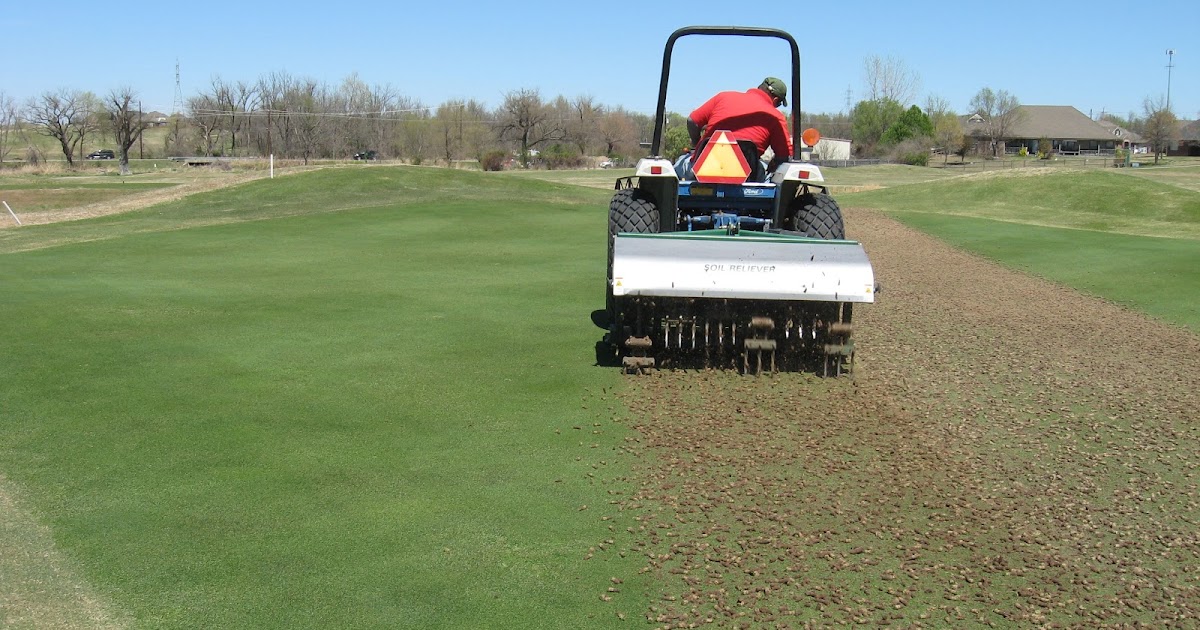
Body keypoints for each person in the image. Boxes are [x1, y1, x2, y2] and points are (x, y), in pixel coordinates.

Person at [674, 77, 794, 181]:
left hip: (702, 169)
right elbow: (784, 156)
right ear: (775, 100)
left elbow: (692, 121)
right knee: (767, 171)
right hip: (748, 176)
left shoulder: (723, 97)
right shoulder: (775, 116)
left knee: (679, 163)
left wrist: (696, 146)